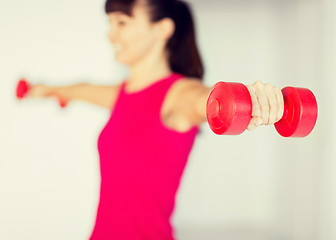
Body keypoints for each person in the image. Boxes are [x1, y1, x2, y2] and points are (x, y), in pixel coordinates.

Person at [26, 0, 284, 239]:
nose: (110, 34)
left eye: (122, 22)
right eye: (110, 23)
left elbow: (208, 100)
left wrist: (252, 96)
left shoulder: (179, 94)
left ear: (162, 29)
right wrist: (47, 89)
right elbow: (84, 88)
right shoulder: (121, 94)